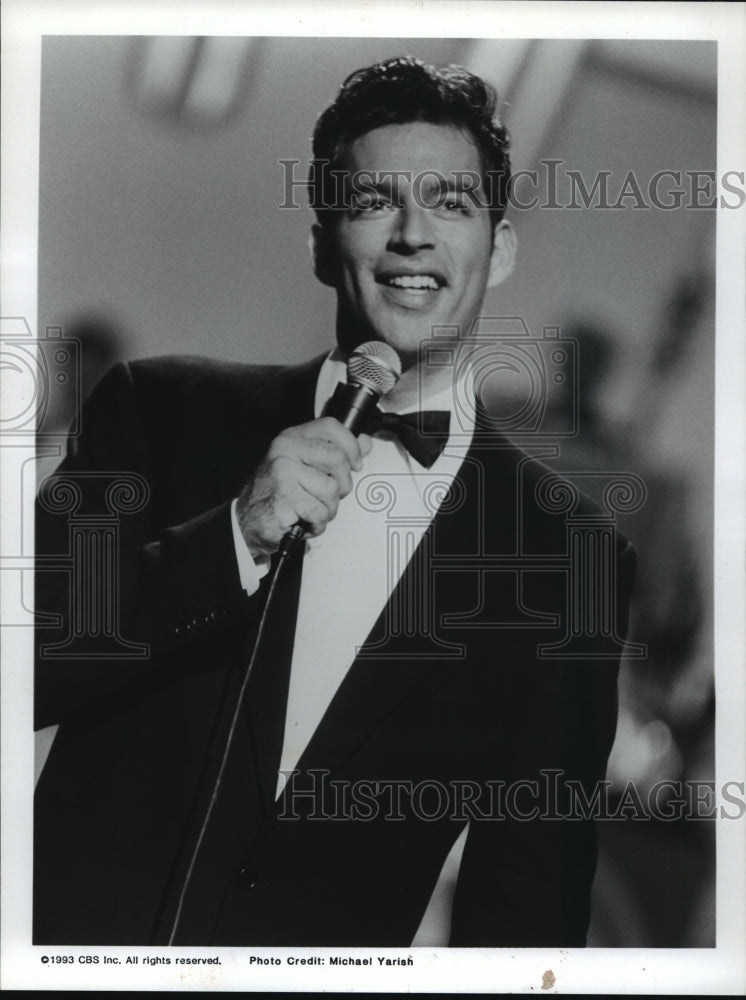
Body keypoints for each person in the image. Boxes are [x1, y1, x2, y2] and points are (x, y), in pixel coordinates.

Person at [33, 56, 635, 947]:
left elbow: (528, 913)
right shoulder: (158, 411)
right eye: (373, 202)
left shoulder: (565, 555)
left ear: (501, 247)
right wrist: (233, 538)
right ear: (321, 240)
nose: (412, 236)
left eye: (452, 204)